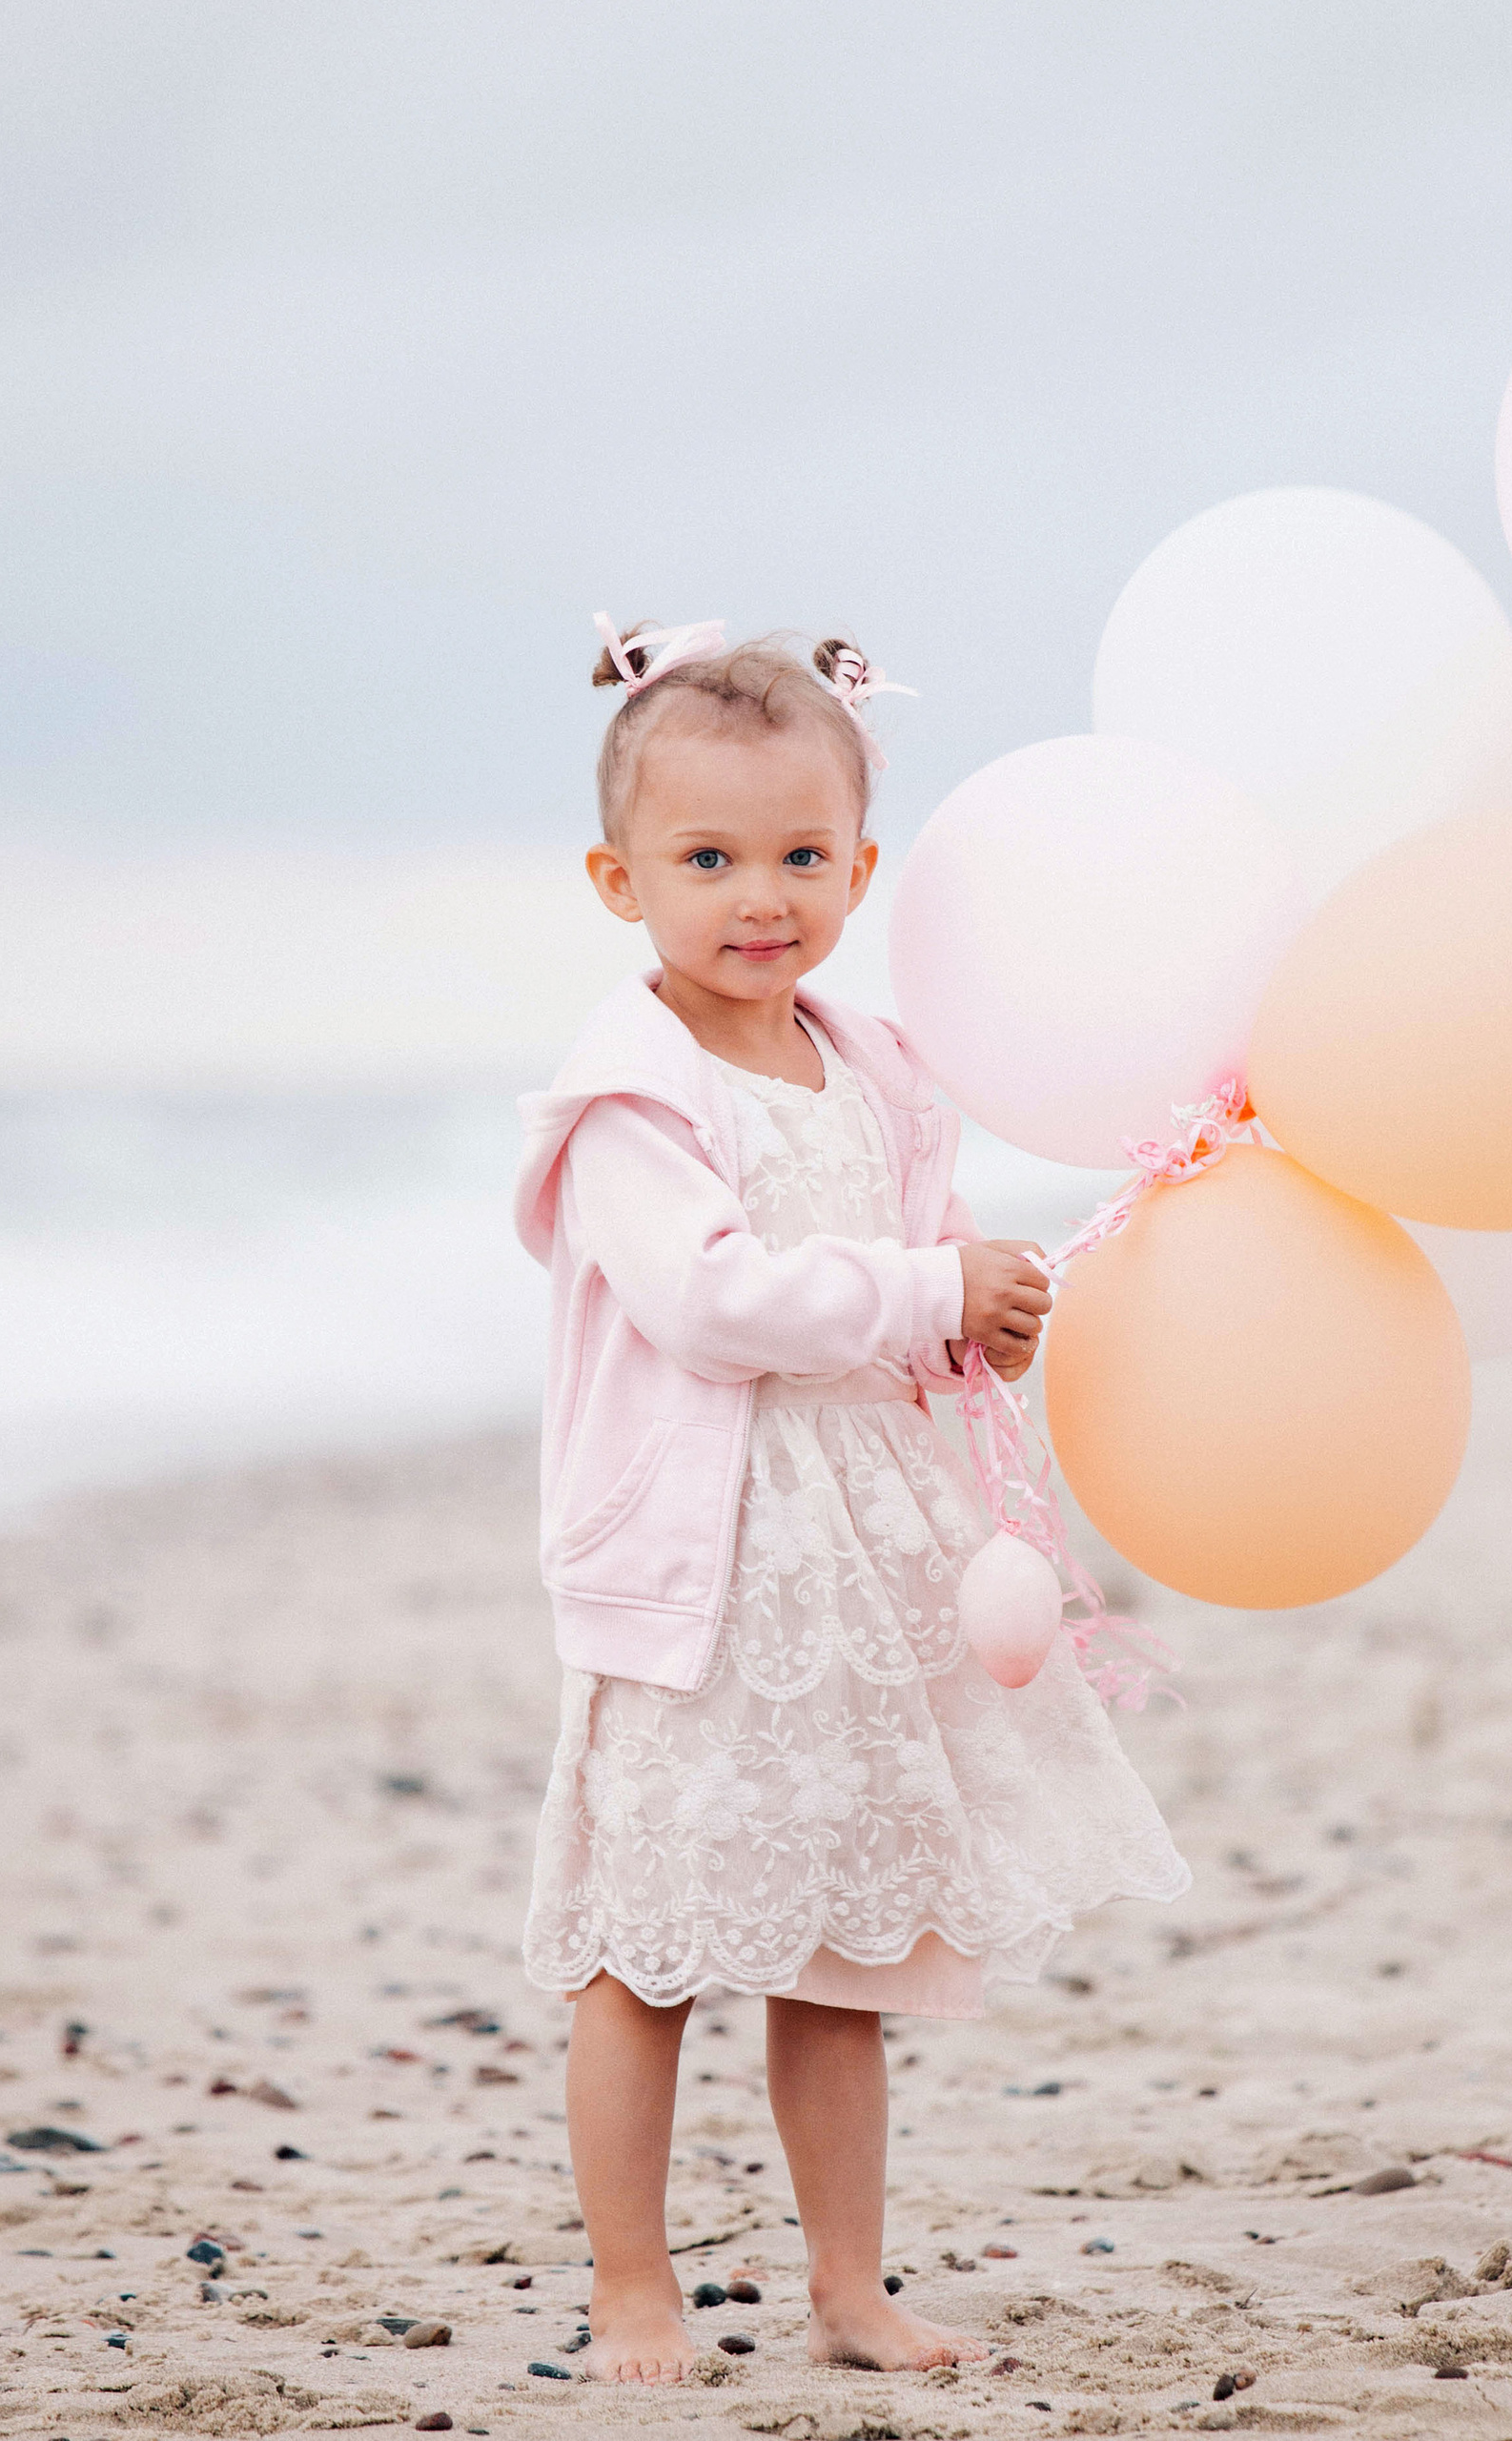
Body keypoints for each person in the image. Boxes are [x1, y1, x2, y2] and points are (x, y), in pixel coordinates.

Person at [511, 618, 1189, 2383]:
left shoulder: (874, 1065)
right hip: (701, 1577)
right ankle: (633, 2286)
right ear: (619, 877)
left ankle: (847, 2281)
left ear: (862, 867)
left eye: (804, 855)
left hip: (860, 1566)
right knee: (644, 1953)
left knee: (845, 1955)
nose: (762, 895)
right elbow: (715, 1302)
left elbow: (902, 1298)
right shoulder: (629, 1100)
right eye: (710, 858)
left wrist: (977, 1335)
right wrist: (924, 1291)